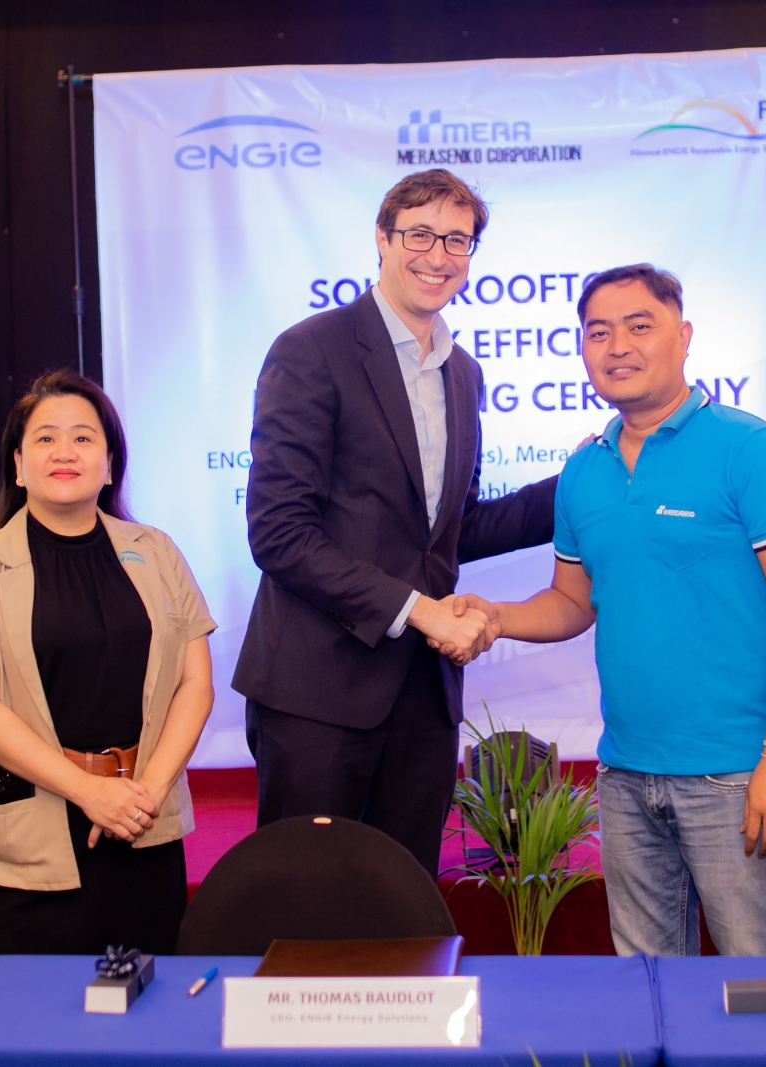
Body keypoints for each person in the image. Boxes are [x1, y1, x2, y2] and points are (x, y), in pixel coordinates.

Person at [447, 264, 766, 956]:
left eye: (638, 326)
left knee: (756, 979)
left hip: (735, 773)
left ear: (683, 337)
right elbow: (571, 601)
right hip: (624, 775)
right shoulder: (585, 469)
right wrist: (495, 615)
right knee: (645, 987)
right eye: (598, 331)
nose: (616, 345)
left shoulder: (749, 448)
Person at [232, 169, 558, 878]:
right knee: (305, 905)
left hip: (422, 698)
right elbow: (279, 532)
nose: (437, 255)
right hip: (317, 693)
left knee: (402, 906)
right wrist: (419, 612)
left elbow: (448, 531)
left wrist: (588, 484)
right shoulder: (311, 350)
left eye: (457, 240)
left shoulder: (462, 373)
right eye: (419, 234)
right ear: (381, 239)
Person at [0, 370, 216, 954]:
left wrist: (145, 793)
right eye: (45, 438)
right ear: (17, 465)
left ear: (110, 463)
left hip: (143, 821)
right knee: (33, 1026)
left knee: (148, 1014)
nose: (65, 451)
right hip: (33, 829)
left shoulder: (157, 552)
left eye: (84, 438)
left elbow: (196, 683)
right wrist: (90, 794)